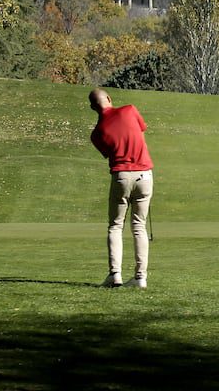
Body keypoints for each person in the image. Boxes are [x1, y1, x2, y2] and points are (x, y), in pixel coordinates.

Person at [89, 88, 153, 288]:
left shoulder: (97, 134)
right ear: (109, 98)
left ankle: (114, 275)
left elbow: (108, 152)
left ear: (93, 108)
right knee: (139, 226)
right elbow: (141, 129)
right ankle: (140, 277)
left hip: (121, 176)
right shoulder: (130, 110)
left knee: (116, 226)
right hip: (145, 175)